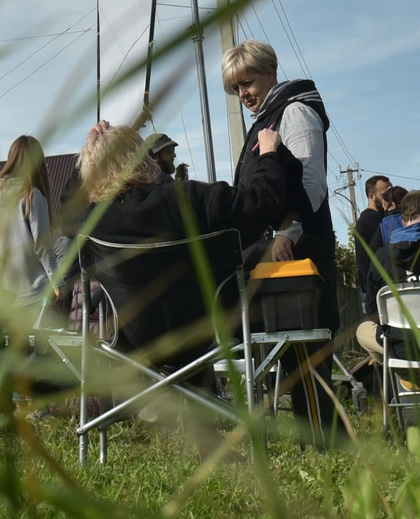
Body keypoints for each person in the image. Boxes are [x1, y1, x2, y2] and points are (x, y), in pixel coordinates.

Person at [76, 122, 298, 360]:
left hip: (135, 343)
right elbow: (260, 205)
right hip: (206, 337)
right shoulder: (184, 198)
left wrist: (96, 146)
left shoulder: (92, 223)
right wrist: (268, 155)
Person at [222, 42, 337, 280]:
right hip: (277, 250)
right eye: (236, 88)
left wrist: (288, 233)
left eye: (247, 83)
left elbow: (311, 180)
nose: (242, 94)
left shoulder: (294, 112)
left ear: (270, 74)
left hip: (297, 250)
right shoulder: (265, 120)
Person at [0, 134, 57, 314]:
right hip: (35, 292)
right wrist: (56, 281)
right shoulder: (32, 195)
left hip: (5, 294)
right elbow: (43, 245)